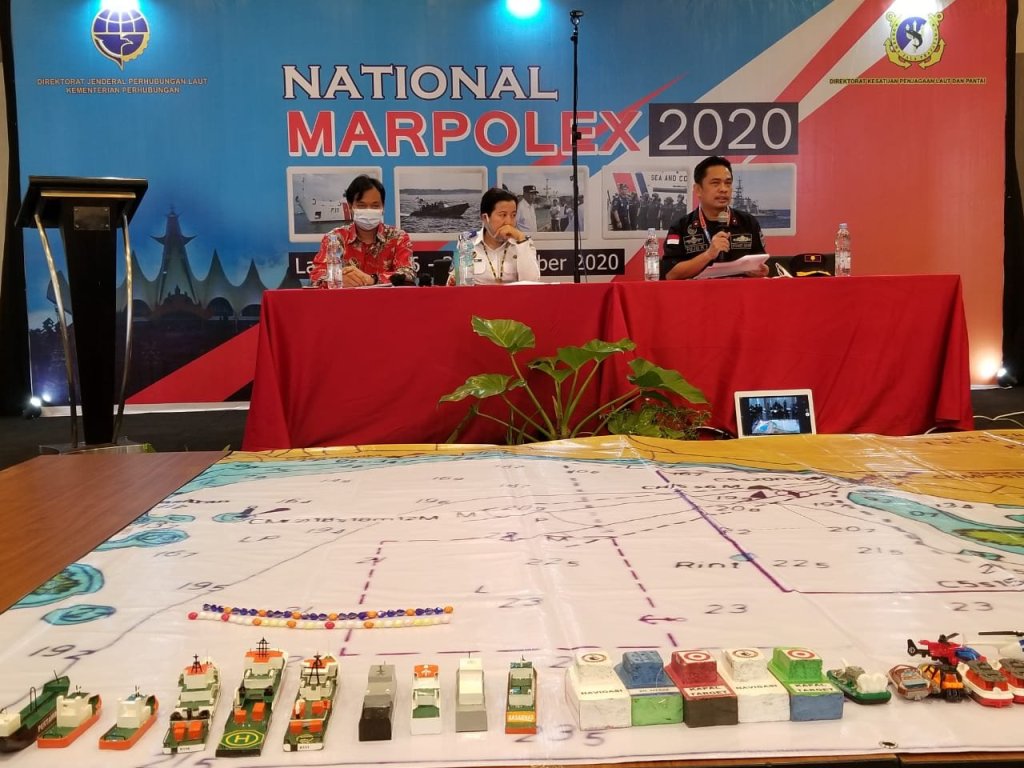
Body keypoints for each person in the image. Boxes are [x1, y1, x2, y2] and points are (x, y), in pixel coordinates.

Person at [661, 156, 768, 280]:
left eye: (728, 183)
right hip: (699, 292)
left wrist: (761, 270)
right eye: (715, 183)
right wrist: (708, 254)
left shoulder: (748, 222)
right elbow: (671, 274)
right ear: (698, 190)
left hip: (740, 292)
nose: (723, 189)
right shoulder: (680, 227)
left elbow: (761, 263)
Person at [309, 175, 416, 287]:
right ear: (350, 206)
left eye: (375, 206)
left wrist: (372, 279)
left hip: (386, 298)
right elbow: (316, 276)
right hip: (346, 298)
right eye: (362, 206)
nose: (368, 210)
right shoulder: (335, 238)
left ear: (383, 207)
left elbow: (408, 274)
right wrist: (337, 279)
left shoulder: (398, 237)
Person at [469, 188, 541, 284]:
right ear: (485, 218)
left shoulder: (522, 243)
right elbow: (460, 285)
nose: (509, 222)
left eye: (513, 215)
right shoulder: (468, 244)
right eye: (503, 215)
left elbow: (532, 284)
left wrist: (521, 239)